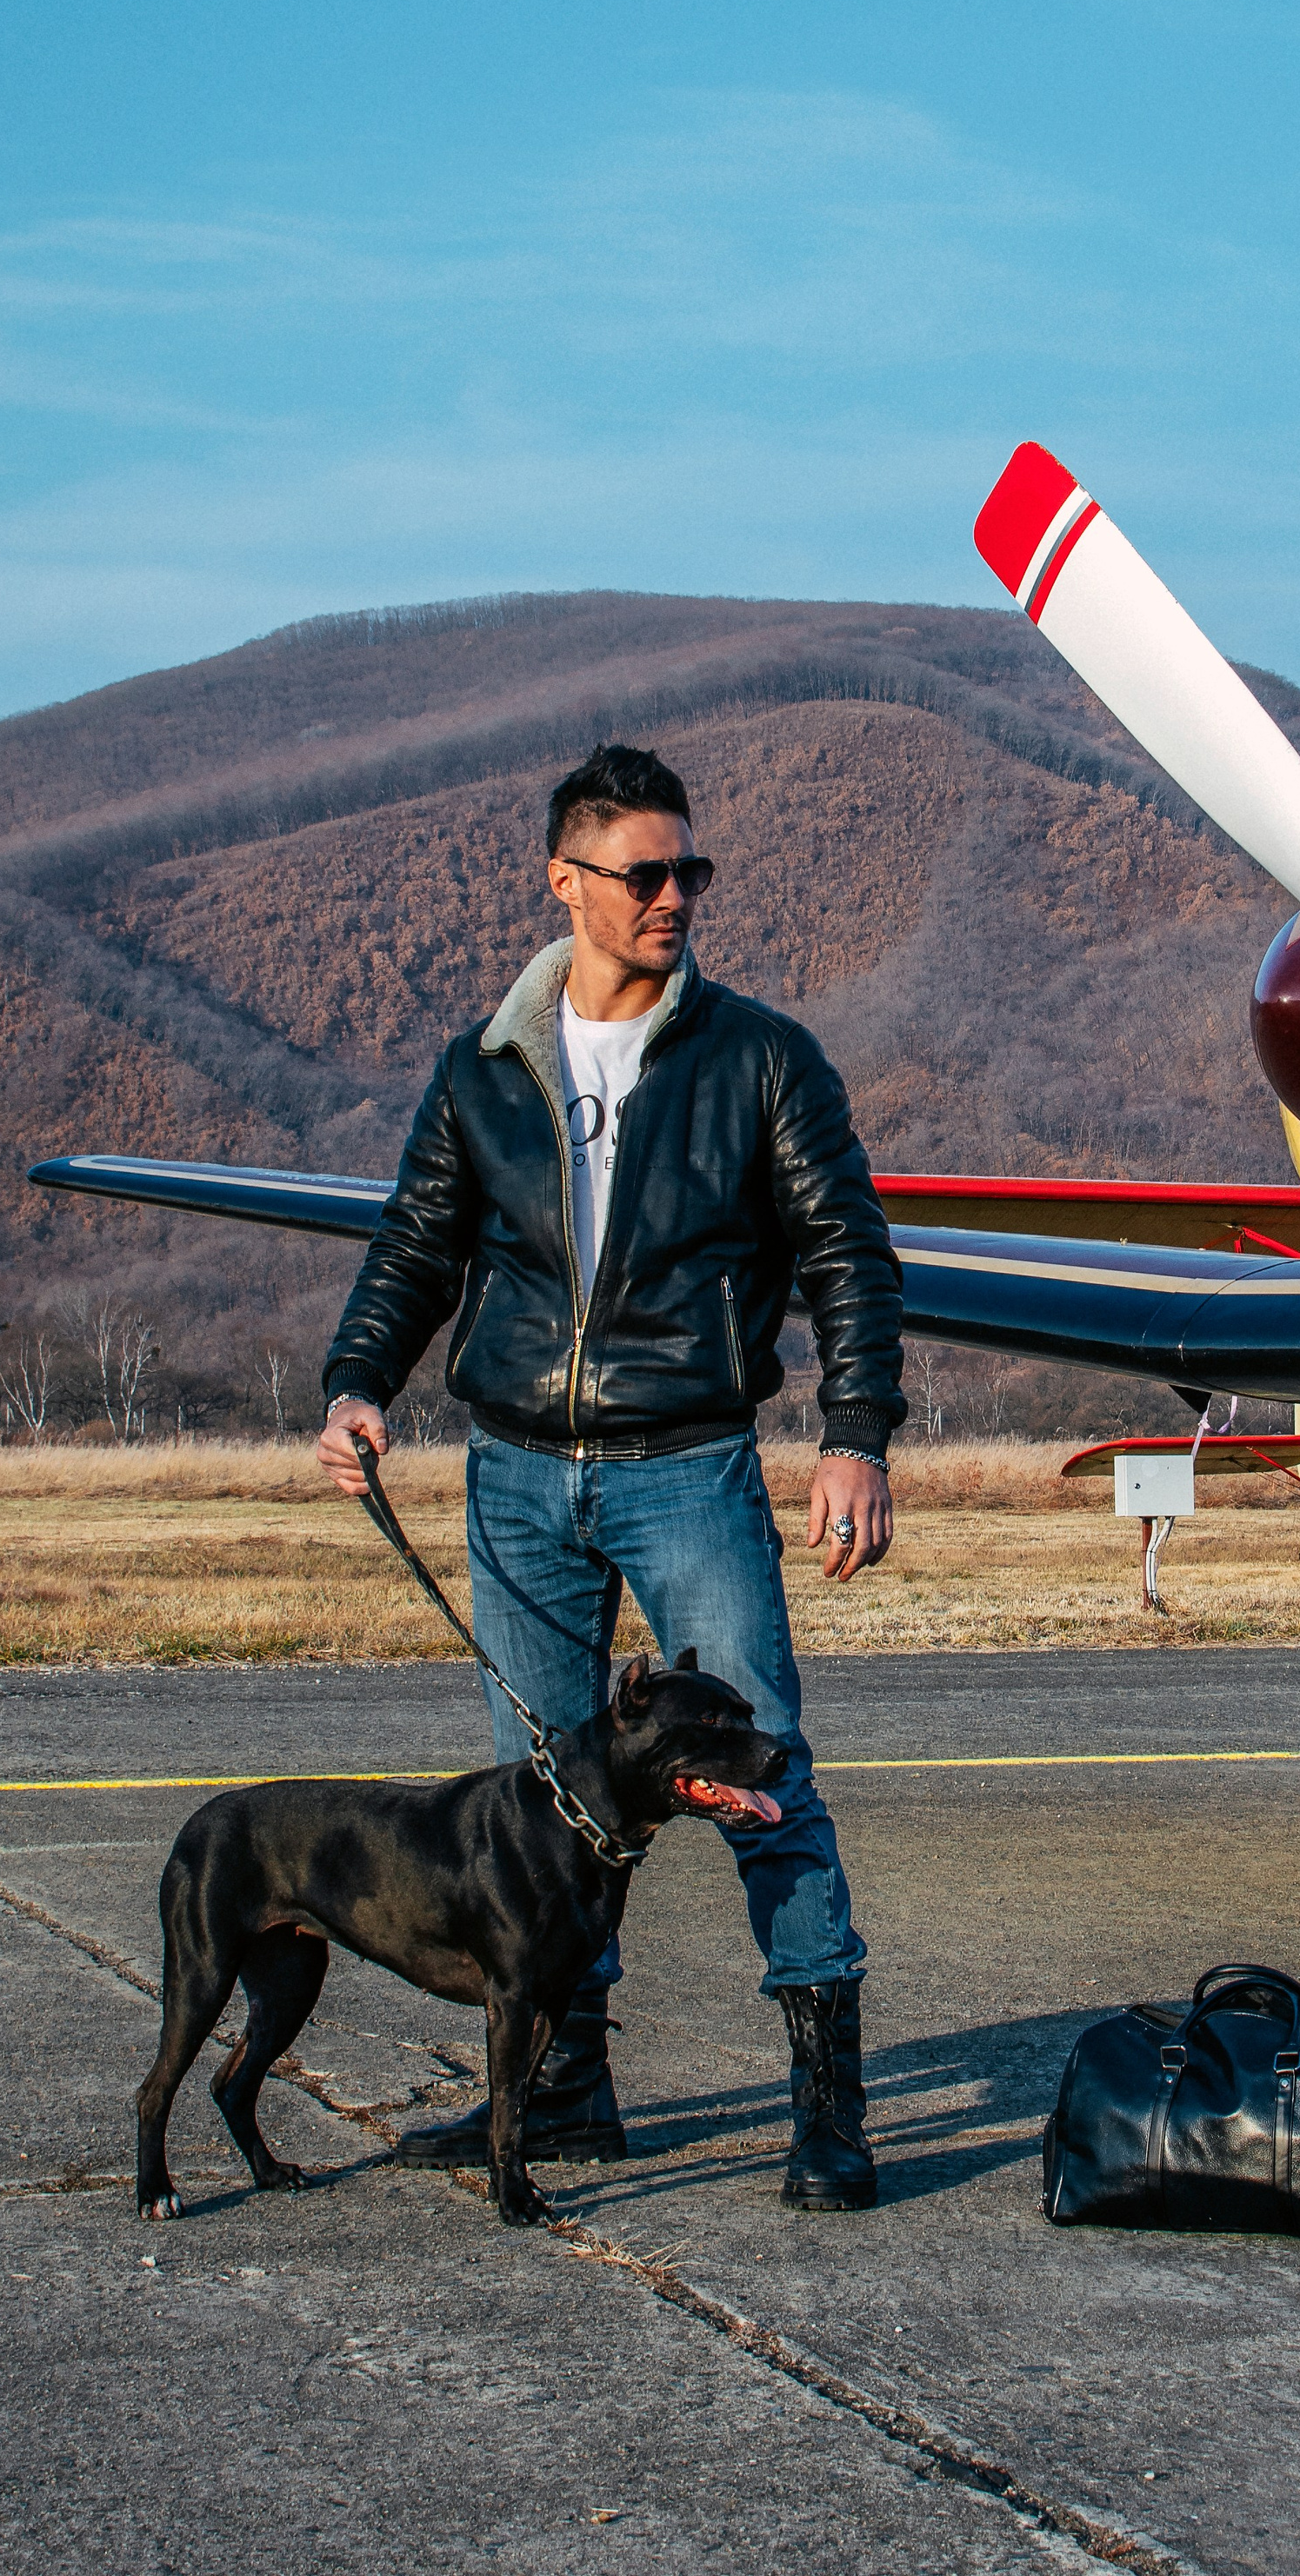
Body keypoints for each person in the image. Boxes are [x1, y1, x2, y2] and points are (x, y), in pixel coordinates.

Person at [313, 742, 904, 2210]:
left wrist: (855, 1436)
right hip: (513, 1476)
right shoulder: (485, 1070)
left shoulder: (761, 1058)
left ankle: (829, 2111)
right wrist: (359, 1381)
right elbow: (416, 1245)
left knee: (769, 1779)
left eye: (690, 871)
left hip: (687, 1466)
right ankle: (569, 2094)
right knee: (549, 1801)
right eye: (647, 874)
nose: (676, 898)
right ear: (566, 883)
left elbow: (848, 1255)